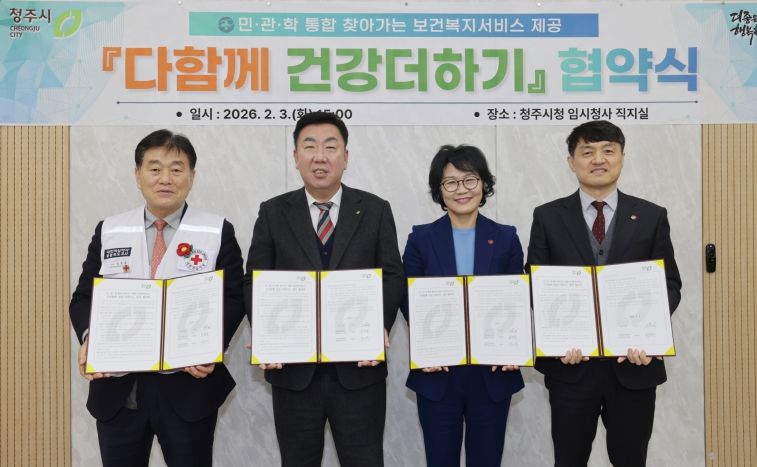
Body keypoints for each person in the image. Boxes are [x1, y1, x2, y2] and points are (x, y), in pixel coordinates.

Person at [69, 130, 245, 467]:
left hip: (188, 389)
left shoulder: (216, 231)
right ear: (138, 176)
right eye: (154, 168)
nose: (165, 178)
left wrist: (210, 344)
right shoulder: (110, 230)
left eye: (176, 169)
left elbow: (234, 297)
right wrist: (91, 338)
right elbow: (83, 297)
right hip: (119, 390)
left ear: (192, 177)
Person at [244, 111, 404, 467]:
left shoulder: (375, 209)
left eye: (331, 147)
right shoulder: (273, 212)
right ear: (295, 156)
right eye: (310, 146)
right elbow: (255, 278)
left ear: (345, 156)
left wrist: (378, 326)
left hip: (359, 371)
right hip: (294, 373)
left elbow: (393, 275)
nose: (320, 156)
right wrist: (266, 332)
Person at [526, 120, 682, 467]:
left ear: (622, 157)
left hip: (634, 365)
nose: (598, 159)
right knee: (569, 459)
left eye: (608, 150)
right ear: (571, 161)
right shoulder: (547, 216)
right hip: (570, 367)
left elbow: (669, 284)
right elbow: (535, 283)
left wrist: (648, 332)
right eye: (587, 152)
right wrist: (557, 337)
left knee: (631, 460)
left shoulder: (651, 216)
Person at [401, 144, 525, 467]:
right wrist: (427, 347)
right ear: (439, 190)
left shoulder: (506, 238)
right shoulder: (420, 240)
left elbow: (517, 299)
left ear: (484, 184)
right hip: (438, 374)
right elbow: (408, 298)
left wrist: (513, 347)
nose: (461, 190)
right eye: (451, 182)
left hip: (492, 373)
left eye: (470, 180)